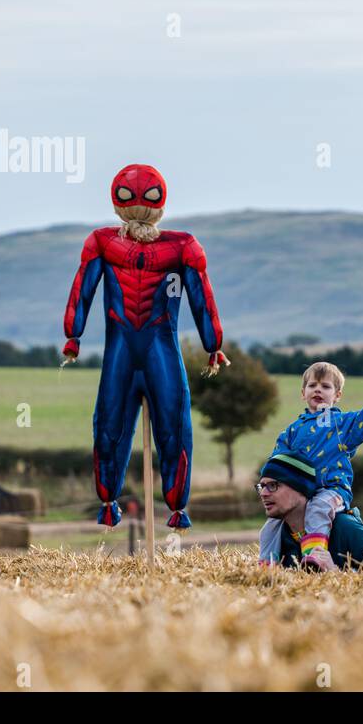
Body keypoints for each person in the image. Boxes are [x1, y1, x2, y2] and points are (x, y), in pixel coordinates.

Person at [60, 163, 228, 530]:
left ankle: (173, 505)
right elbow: (83, 287)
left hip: (153, 348)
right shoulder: (105, 243)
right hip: (133, 350)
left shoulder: (181, 247)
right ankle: (110, 500)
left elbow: (201, 295)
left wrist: (212, 343)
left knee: (171, 426)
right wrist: (73, 333)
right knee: (110, 426)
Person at [265, 361, 363, 568]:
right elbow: (277, 461)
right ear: (303, 393)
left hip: (331, 490)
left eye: (325, 386)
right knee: (272, 524)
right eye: (312, 385)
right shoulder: (292, 430)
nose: (318, 389)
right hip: (302, 491)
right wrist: (271, 483)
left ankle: (315, 555)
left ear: (337, 395)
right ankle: (266, 563)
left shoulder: (340, 425)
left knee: (318, 508)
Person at [255, 455, 363, 572]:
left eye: (273, 486)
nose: (263, 493)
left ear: (300, 488)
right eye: (261, 486)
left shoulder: (346, 528)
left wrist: (335, 572)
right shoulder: (276, 537)